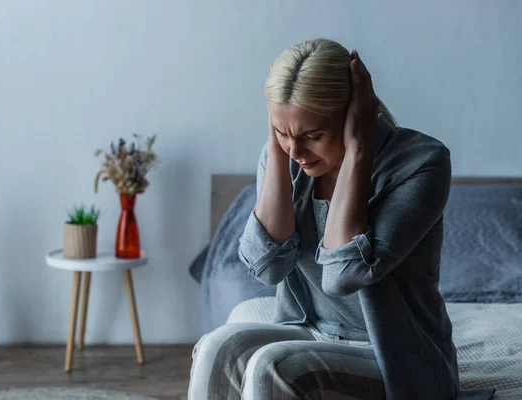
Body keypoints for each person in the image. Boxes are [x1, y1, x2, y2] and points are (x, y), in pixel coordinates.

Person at [188, 38, 495, 400]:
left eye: (312, 136)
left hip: (393, 354)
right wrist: (275, 145)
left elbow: (342, 276)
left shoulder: (421, 164)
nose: (296, 151)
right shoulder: (285, 157)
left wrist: (358, 150)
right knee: (216, 347)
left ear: (354, 113)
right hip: (311, 331)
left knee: (272, 365)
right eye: (282, 133)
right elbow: (266, 267)